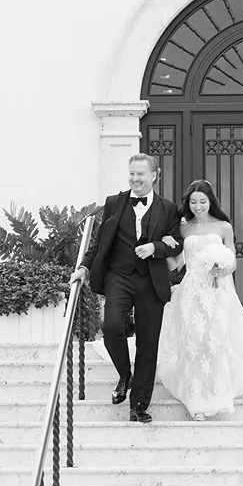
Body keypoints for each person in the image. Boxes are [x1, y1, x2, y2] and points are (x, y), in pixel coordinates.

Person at [70, 153, 183, 422]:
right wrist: (84, 267)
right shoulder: (114, 203)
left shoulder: (167, 209)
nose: (135, 179)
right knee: (111, 328)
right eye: (132, 173)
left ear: (154, 176)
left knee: (147, 344)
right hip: (118, 276)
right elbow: (98, 241)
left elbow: (176, 243)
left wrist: (155, 247)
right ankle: (124, 373)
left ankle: (139, 404)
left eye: (141, 174)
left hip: (150, 281)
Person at [156, 179, 243, 419]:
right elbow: (178, 263)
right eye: (193, 202)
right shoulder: (183, 228)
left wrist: (222, 270)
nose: (198, 206)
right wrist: (165, 247)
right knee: (193, 341)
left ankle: (217, 394)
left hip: (216, 290)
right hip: (190, 291)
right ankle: (195, 397)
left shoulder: (223, 226)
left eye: (202, 201)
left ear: (210, 201)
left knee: (214, 340)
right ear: (187, 204)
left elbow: (232, 259)